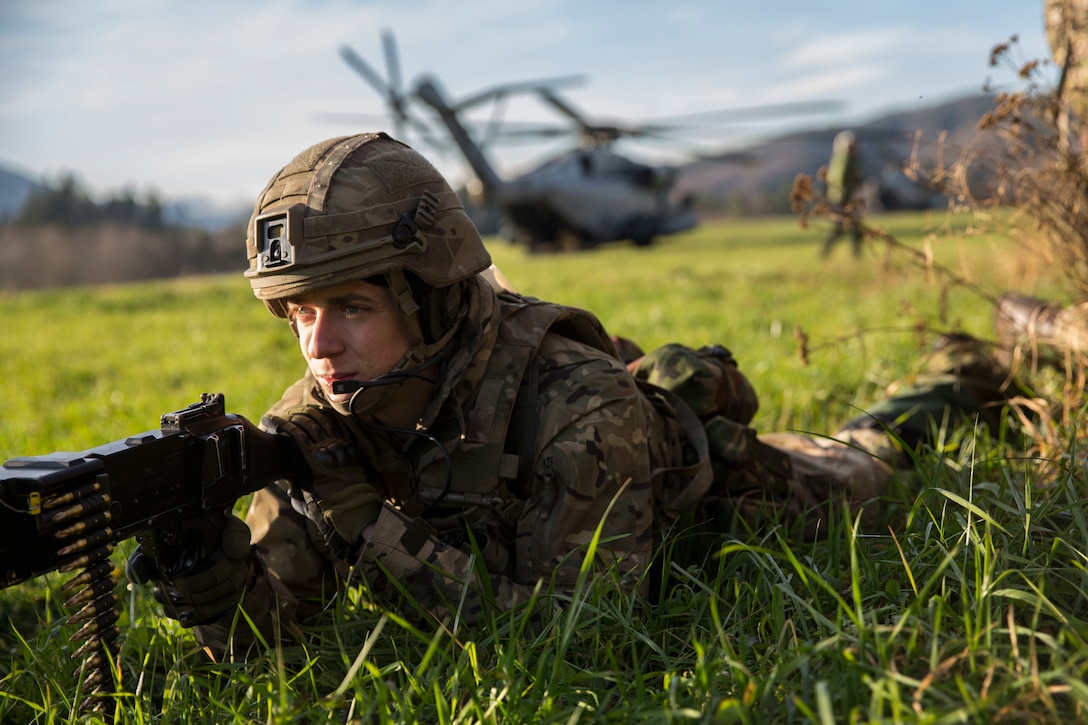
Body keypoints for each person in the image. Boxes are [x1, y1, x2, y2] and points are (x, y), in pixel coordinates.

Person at [128, 133, 1028, 657]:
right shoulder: (319, 420)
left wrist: (368, 520)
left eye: (353, 308)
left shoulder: (576, 403)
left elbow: (578, 635)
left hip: (748, 499)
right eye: (300, 313)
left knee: (874, 449)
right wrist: (214, 583)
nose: (319, 347)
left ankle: (980, 358)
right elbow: (288, 625)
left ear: (429, 294)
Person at [820, 130, 865, 259]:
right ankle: (855, 257)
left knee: (845, 229)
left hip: (839, 198)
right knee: (847, 229)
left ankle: (827, 254)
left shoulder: (842, 158)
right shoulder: (844, 159)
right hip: (842, 199)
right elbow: (840, 180)